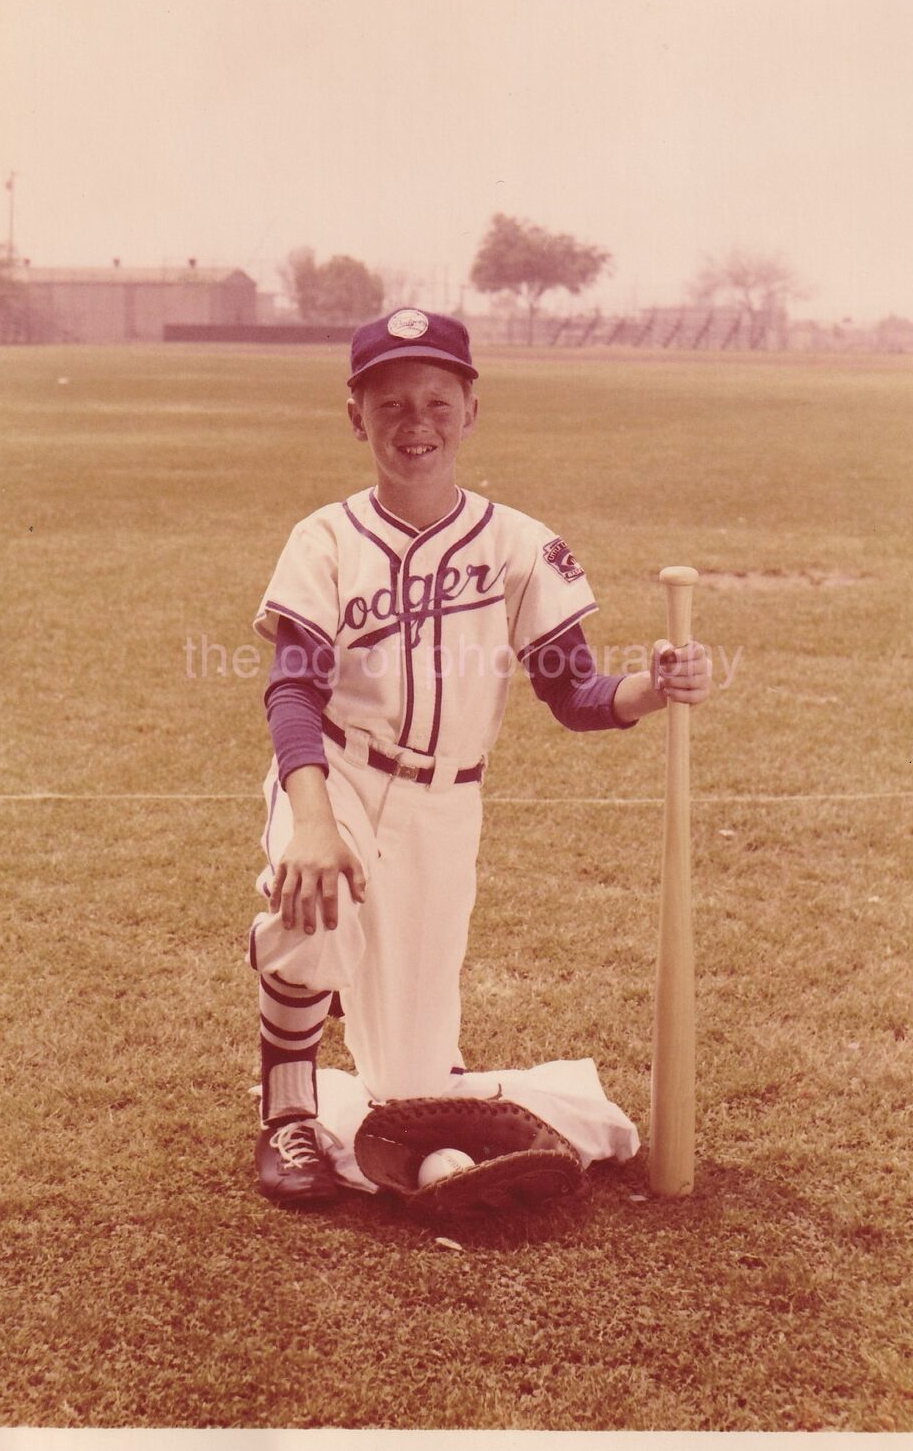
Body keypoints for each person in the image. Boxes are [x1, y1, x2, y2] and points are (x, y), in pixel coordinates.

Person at [247, 307, 711, 1203]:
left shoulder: (518, 545)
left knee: (409, 1088)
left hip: (443, 807)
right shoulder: (325, 539)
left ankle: (398, 1086)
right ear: (357, 418)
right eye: (389, 405)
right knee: (315, 891)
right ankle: (289, 1118)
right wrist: (308, 819)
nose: (414, 424)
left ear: (469, 412)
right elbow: (293, 690)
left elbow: (572, 694)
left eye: (435, 402)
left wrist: (652, 688)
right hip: (335, 772)